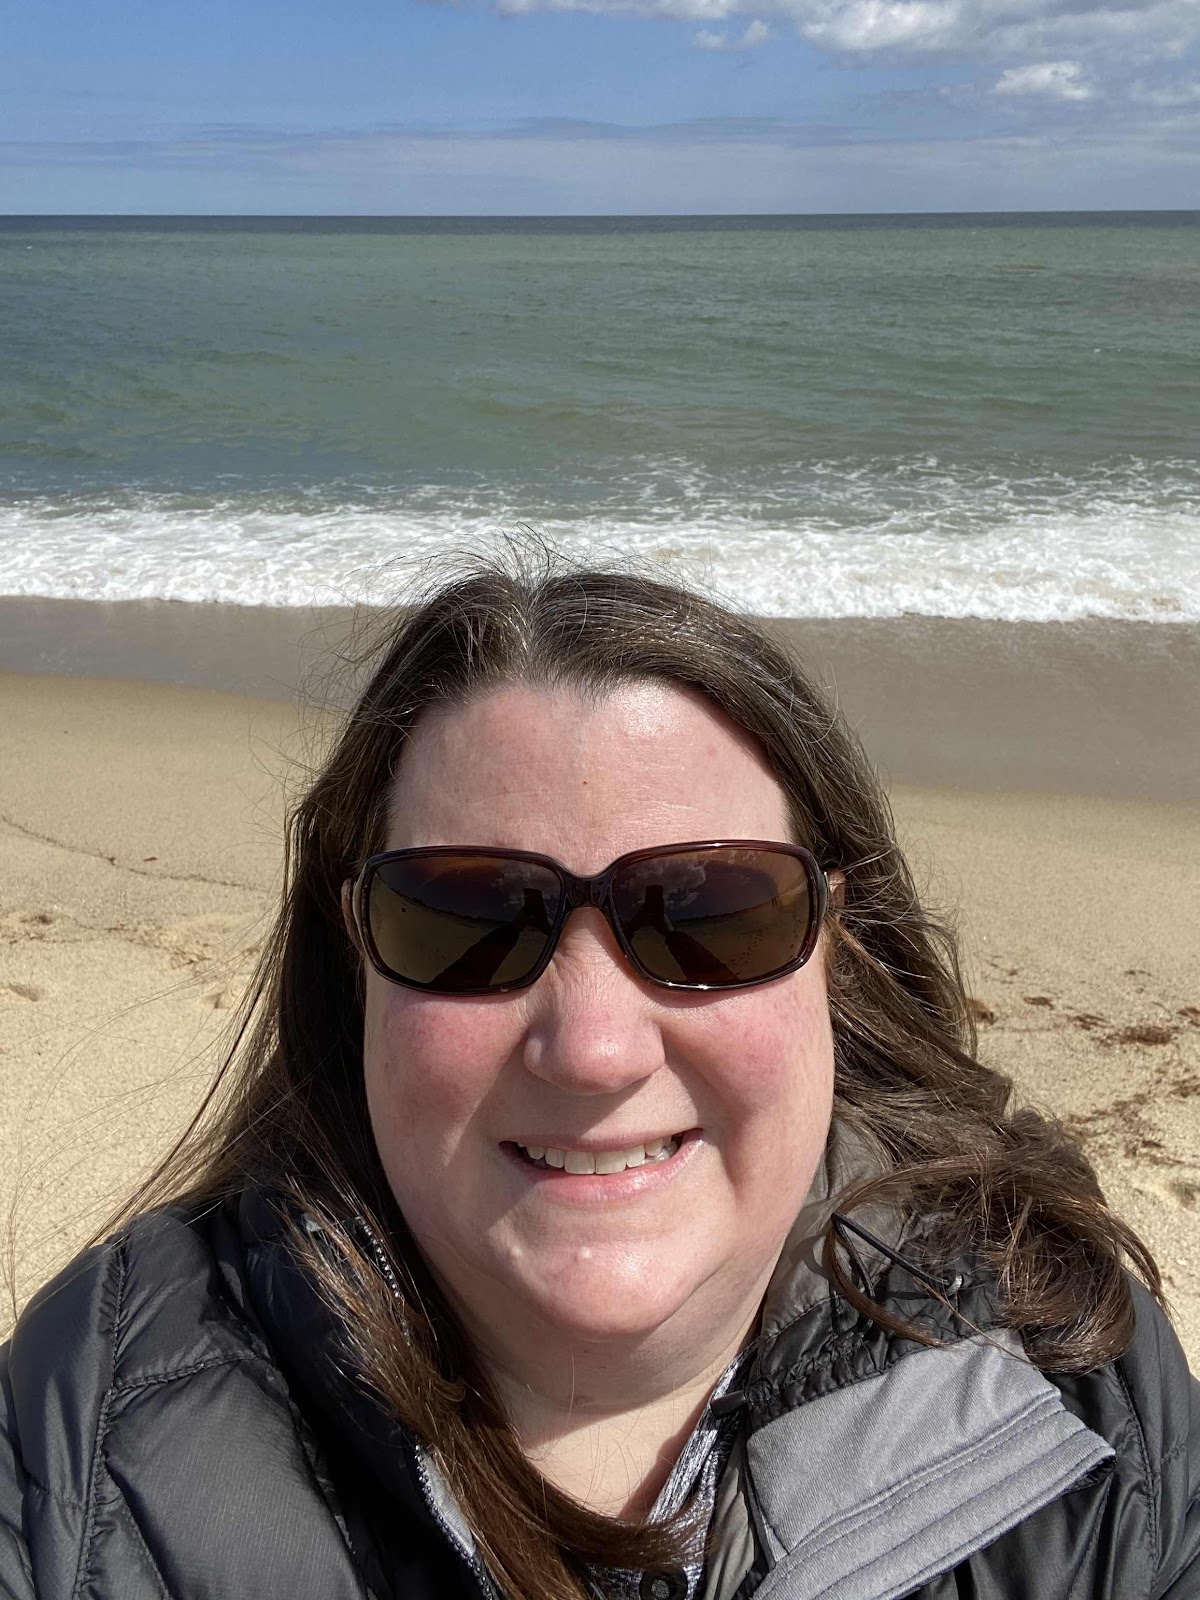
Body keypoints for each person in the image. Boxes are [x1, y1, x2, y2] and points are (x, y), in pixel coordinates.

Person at [1, 555, 1196, 1600]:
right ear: (354, 954)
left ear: (834, 946)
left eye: (708, 912)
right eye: (467, 917)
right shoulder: (85, 1442)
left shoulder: (1077, 1384)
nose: (594, 1048)